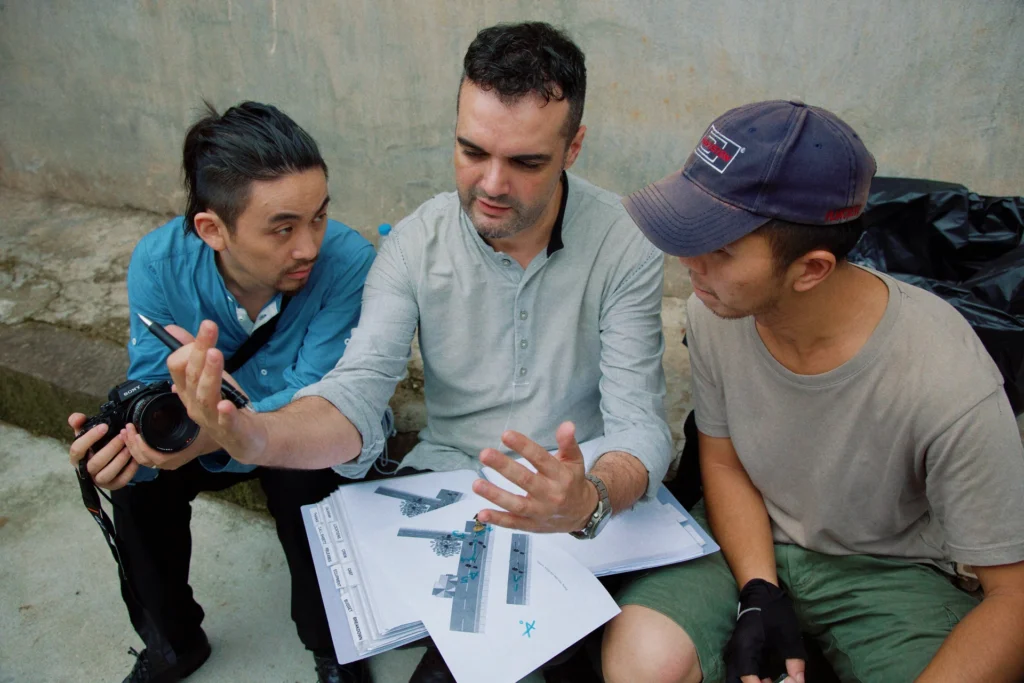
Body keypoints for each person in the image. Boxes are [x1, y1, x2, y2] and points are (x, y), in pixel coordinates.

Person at [163, 22, 674, 682]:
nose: (491, 183)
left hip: (582, 506)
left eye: (526, 162)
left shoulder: (627, 242)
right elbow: (356, 394)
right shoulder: (412, 244)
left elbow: (639, 425)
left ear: (573, 146)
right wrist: (246, 434)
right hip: (457, 496)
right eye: (471, 150)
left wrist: (590, 498)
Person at [601, 100, 1024, 683]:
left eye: (720, 249)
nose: (690, 265)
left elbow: (1014, 599)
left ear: (812, 269)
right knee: (642, 661)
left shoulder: (946, 380)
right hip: (742, 536)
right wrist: (757, 589)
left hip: (886, 570)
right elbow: (721, 459)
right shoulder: (716, 310)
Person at [68, 101, 379, 683]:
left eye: (319, 217)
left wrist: (224, 427)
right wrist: (130, 446)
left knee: (311, 470)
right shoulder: (158, 265)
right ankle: (173, 642)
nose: (310, 245)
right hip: (205, 428)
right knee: (136, 486)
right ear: (212, 229)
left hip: (284, 426)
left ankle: (333, 643)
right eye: (283, 228)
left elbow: (319, 396)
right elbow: (152, 385)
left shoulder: (348, 262)